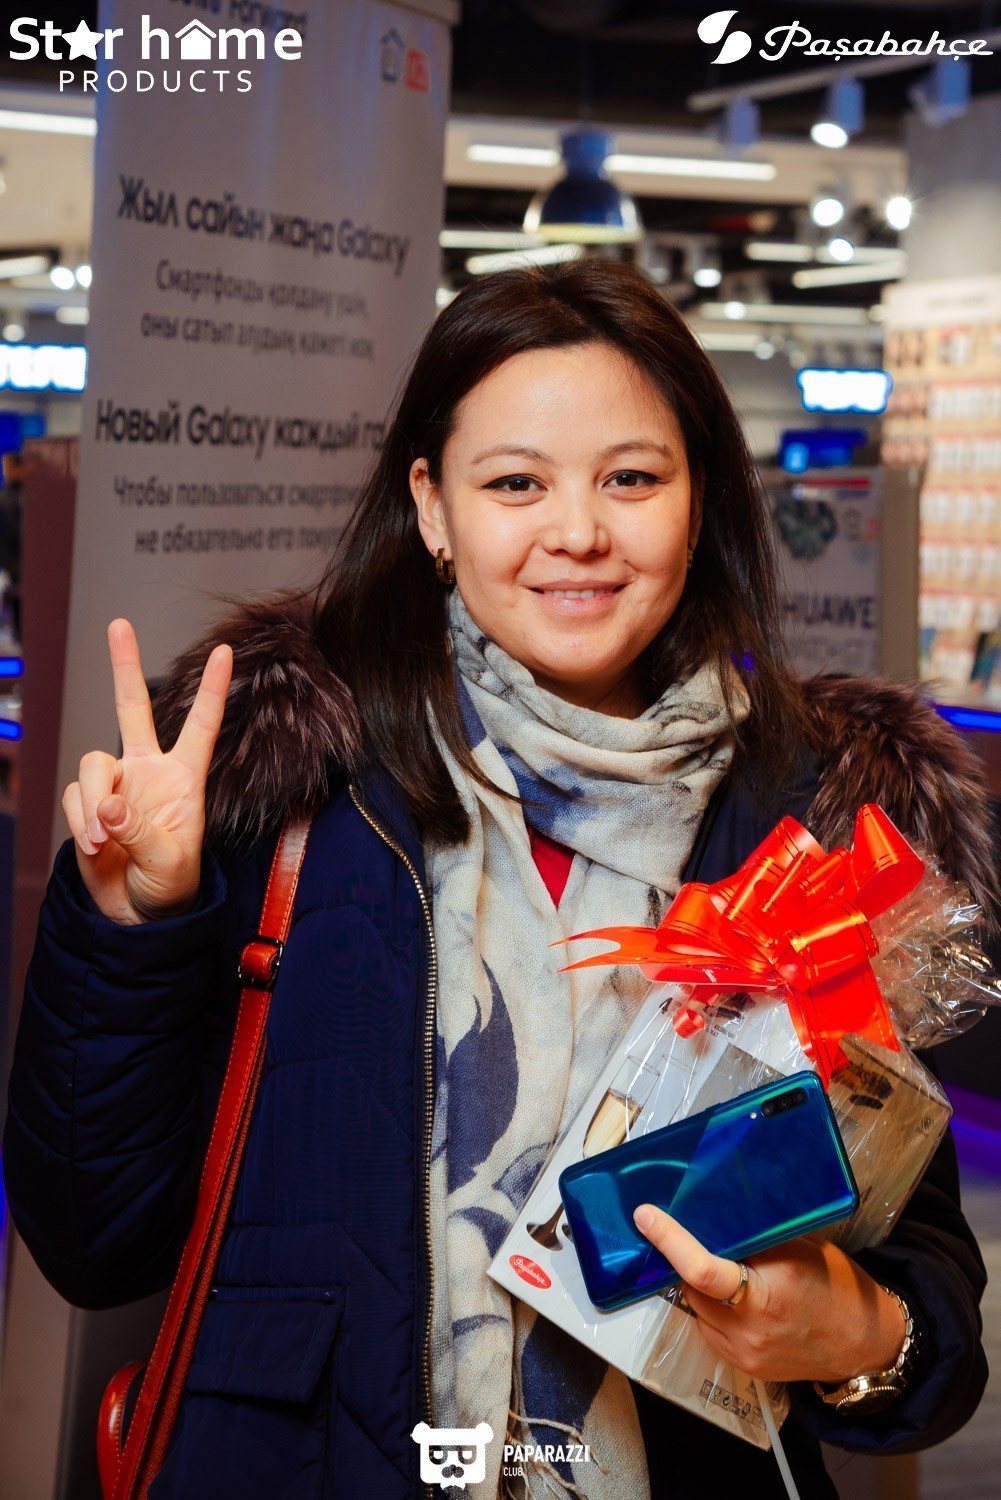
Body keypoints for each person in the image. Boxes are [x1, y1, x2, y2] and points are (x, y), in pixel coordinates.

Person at [3, 259, 996, 1500]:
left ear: (698, 503)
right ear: (431, 506)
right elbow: (94, 1238)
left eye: (630, 479)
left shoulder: (806, 825)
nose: (575, 532)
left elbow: (925, 1312)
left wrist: (857, 1336)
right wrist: (134, 922)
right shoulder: (291, 791)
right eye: (515, 482)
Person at [0, 449, 24, 640]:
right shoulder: (4, 498)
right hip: (13, 566)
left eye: (7, 467)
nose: (5, 472)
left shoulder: (29, 496)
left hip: (24, 566)